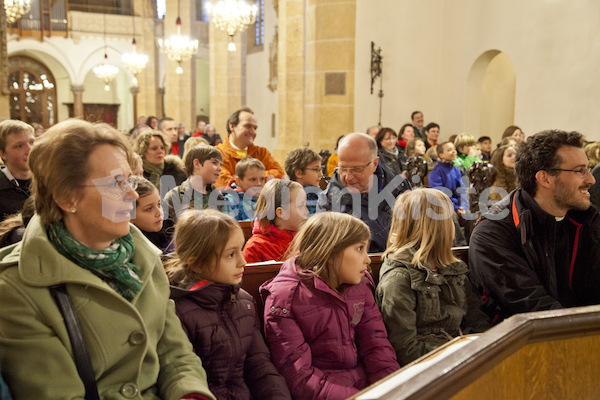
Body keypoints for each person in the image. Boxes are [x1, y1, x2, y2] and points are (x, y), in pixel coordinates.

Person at [0, 119, 214, 399]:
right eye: (116, 184)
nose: (133, 194)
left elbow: (176, 355)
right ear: (67, 198)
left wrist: (190, 393)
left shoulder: (142, 255)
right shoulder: (16, 287)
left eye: (128, 180)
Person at [261, 212, 400, 399]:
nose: (367, 259)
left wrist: (390, 389)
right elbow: (300, 378)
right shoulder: (285, 298)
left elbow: (377, 346)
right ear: (330, 252)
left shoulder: (360, 285)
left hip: (368, 389)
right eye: (360, 248)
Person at [469, 129, 600, 321]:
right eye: (580, 171)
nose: (591, 180)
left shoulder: (587, 220)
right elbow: (534, 309)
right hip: (521, 344)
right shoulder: (493, 232)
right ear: (545, 178)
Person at [166, 209, 291, 400]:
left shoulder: (244, 302)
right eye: (231, 255)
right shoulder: (177, 311)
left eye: (240, 251)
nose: (242, 262)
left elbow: (259, 365)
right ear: (197, 263)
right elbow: (188, 380)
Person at [376, 189, 490, 365]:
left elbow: (477, 318)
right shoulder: (399, 278)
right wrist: (460, 354)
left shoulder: (454, 267)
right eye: (450, 220)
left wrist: (488, 346)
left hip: (465, 354)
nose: (454, 226)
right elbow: (405, 347)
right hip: (431, 367)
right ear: (435, 227)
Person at [317, 132, 411, 252]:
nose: (348, 177)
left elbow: (414, 240)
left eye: (356, 169)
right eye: (343, 168)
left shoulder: (399, 190)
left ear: (374, 164)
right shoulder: (329, 199)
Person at [216, 107, 284, 188]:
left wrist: (247, 178)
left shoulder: (262, 152)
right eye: (248, 126)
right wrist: (260, 179)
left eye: (255, 128)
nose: (253, 132)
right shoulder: (218, 153)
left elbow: (279, 174)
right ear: (232, 126)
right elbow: (223, 182)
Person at [243, 179, 308, 263]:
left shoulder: (305, 241)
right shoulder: (255, 247)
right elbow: (246, 275)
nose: (307, 212)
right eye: (300, 206)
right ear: (281, 212)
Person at [163, 145, 229, 225]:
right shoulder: (174, 196)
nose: (220, 168)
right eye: (214, 163)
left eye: (220, 165)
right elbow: (167, 233)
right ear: (196, 163)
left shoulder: (220, 198)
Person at [0, 120, 35, 222]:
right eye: (19, 146)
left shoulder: (49, 180)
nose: (30, 150)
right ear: (3, 154)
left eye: (32, 142)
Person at [130, 176, 172, 253]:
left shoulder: (170, 229)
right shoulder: (135, 249)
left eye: (159, 204)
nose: (159, 213)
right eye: (149, 209)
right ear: (130, 218)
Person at [285, 147, 323, 215]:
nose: (321, 174)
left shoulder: (317, 193)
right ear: (299, 173)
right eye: (316, 170)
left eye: (321, 169)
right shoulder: (290, 197)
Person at [228, 157, 266, 221]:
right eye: (253, 179)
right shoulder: (231, 201)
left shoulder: (267, 201)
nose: (259, 183)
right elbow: (230, 225)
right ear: (238, 181)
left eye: (262, 179)